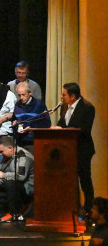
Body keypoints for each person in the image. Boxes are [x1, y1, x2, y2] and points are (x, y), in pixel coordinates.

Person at [56, 82, 95, 217]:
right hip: (68, 150)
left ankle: (89, 209)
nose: (62, 97)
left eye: (64, 95)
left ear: (72, 96)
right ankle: (71, 207)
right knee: (70, 180)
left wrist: (64, 130)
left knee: (84, 180)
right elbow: (62, 123)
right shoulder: (65, 106)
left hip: (82, 150)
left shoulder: (87, 108)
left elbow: (84, 130)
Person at [0, 136, 34, 221]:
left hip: (27, 189)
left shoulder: (23, 156)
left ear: (10, 148)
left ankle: (13, 212)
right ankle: (19, 206)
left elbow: (21, 176)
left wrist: (3, 176)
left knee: (9, 183)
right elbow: (1, 171)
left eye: (2, 151)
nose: (0, 154)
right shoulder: (7, 156)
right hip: (14, 187)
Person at [12, 81, 51, 154]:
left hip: (35, 143)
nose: (21, 98)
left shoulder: (39, 105)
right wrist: (15, 124)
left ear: (30, 93)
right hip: (20, 142)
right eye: (19, 95)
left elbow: (47, 123)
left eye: (23, 95)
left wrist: (31, 128)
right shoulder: (17, 105)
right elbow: (16, 120)